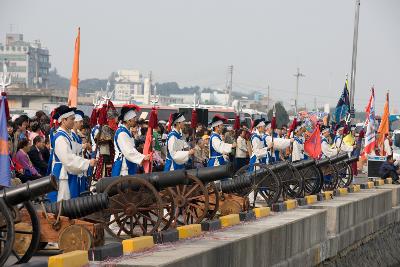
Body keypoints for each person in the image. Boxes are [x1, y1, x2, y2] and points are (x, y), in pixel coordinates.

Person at [48, 105, 97, 202]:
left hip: (66, 173)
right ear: (63, 120)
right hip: (62, 175)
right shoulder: (60, 138)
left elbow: (74, 147)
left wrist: (84, 148)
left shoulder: (66, 135)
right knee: (63, 202)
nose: (73, 121)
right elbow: (68, 159)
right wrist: (87, 163)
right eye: (72, 119)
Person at [111, 104, 150, 176]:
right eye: (134, 118)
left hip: (127, 163)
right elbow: (128, 151)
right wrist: (143, 157)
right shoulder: (122, 133)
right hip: (123, 167)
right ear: (128, 120)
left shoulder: (126, 131)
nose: (136, 120)